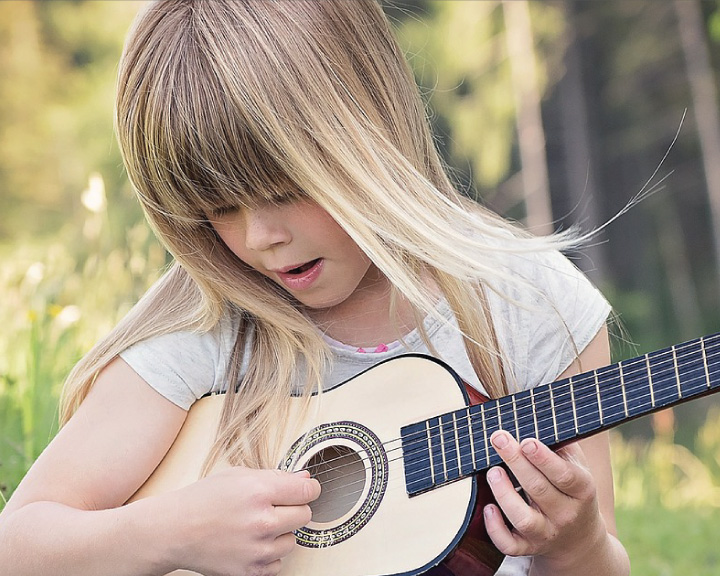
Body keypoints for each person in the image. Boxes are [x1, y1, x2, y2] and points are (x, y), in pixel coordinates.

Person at [0, 1, 630, 575]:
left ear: (371, 132)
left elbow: (598, 561)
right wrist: (169, 533)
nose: (259, 237)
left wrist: (577, 546)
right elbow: (18, 544)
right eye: (217, 208)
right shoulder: (209, 321)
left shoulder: (530, 304)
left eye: (284, 191)